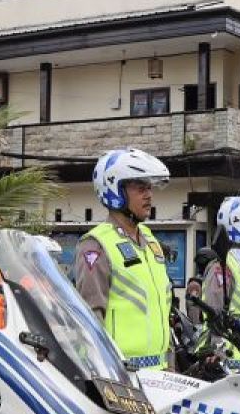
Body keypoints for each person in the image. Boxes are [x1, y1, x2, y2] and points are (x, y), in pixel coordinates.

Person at [73, 147, 173, 370]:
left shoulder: (150, 240)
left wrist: (171, 364)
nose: (149, 195)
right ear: (115, 191)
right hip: (122, 374)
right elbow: (91, 316)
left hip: (159, 375)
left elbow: (162, 310)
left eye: (149, 188)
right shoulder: (96, 244)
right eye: (140, 188)